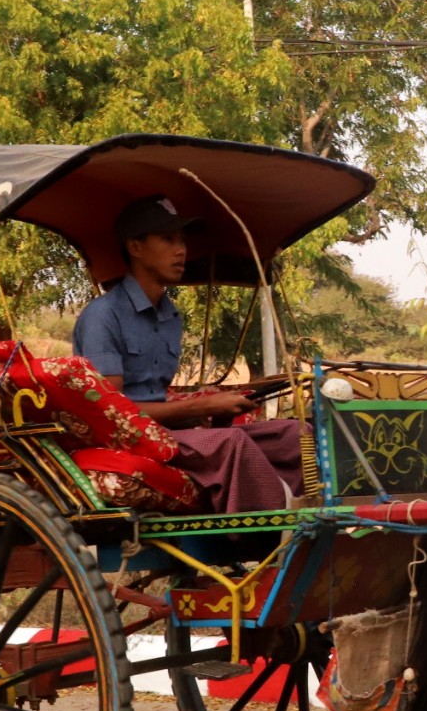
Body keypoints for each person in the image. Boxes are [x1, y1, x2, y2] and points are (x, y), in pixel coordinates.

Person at [72, 195, 301, 511]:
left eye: (182, 240)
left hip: (171, 434)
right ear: (135, 247)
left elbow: (161, 400)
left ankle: (310, 524)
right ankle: (271, 541)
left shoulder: (170, 316)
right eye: (167, 239)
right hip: (130, 439)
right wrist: (203, 405)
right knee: (231, 444)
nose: (181, 250)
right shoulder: (103, 316)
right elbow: (113, 415)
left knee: (293, 436)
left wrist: (216, 410)